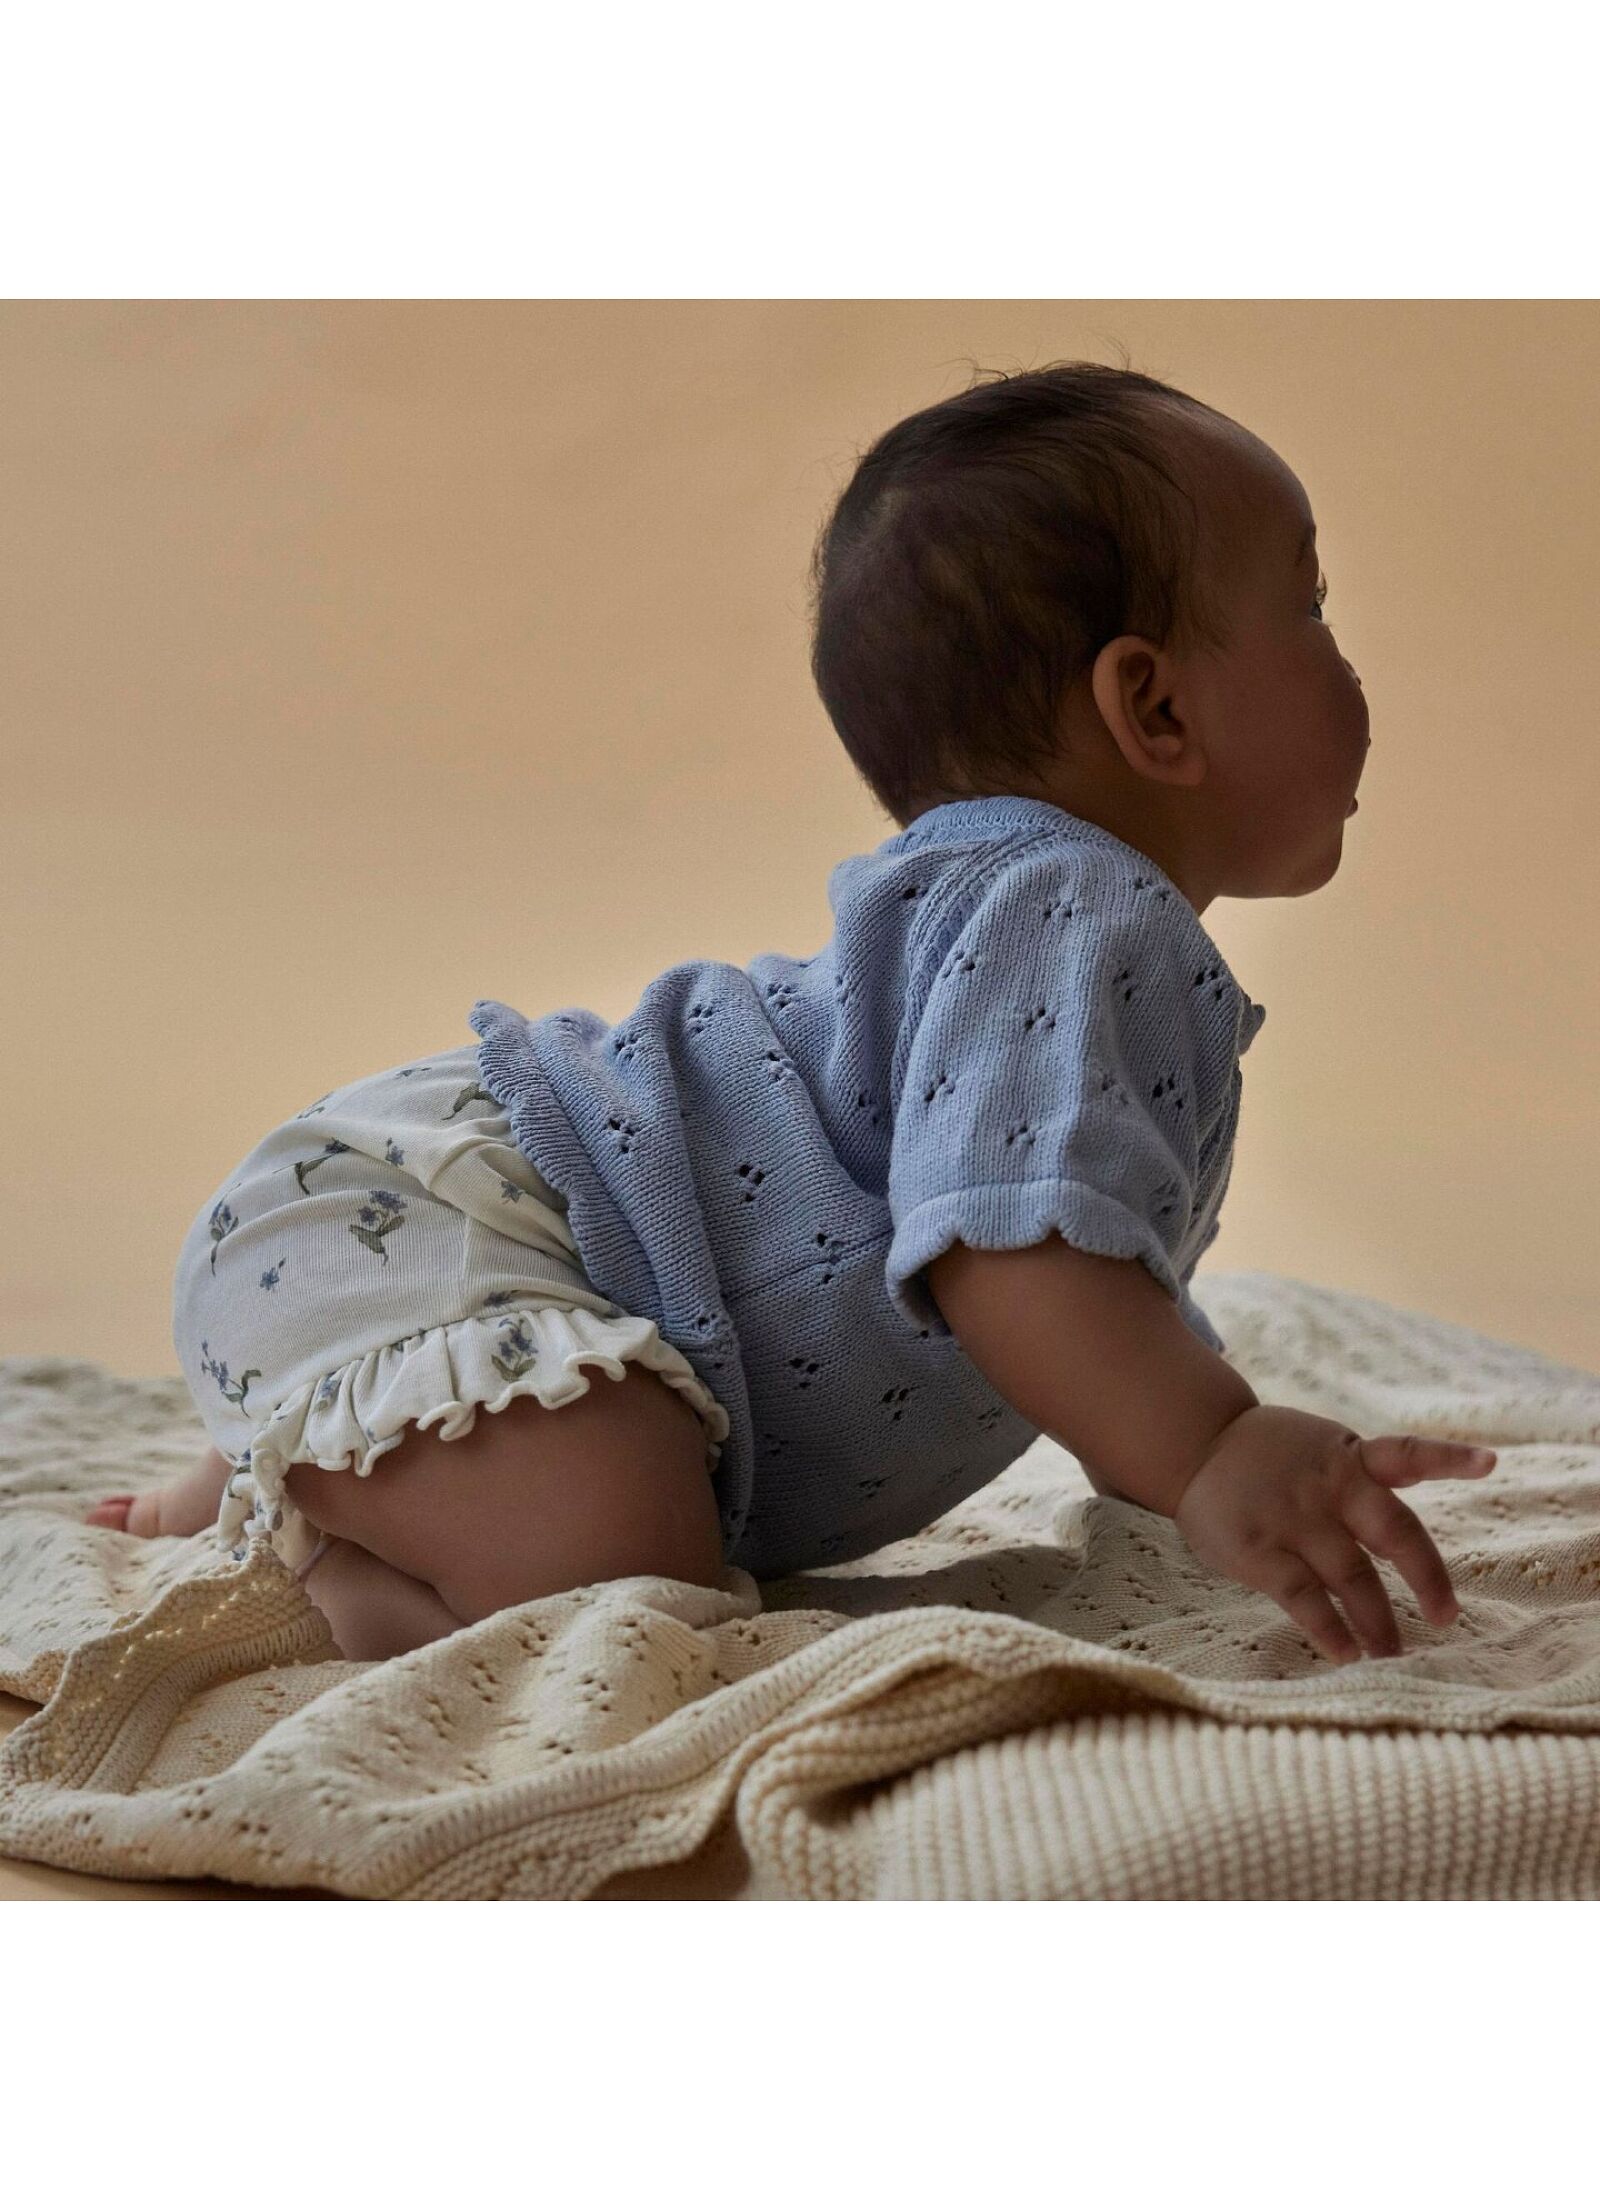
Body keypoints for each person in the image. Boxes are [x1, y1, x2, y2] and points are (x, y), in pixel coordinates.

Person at [88, 358, 1496, 1665]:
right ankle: (313, 1571)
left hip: (393, 1242)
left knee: (620, 1499)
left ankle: (284, 1463)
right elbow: (1018, 1262)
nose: (1346, 660)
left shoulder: (1040, 915)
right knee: (638, 1590)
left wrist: (1204, 1425)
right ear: (1155, 709)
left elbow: (1100, 1278)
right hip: (450, 1232)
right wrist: (1212, 1454)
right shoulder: (1077, 905)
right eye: (1309, 605)